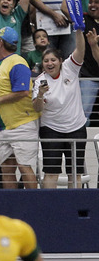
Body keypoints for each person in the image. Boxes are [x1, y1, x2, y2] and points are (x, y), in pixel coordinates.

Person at [0, 27, 39, 189]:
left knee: (24, 167)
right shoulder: (1, 64)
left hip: (21, 125)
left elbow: (22, 91)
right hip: (3, 126)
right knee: (6, 168)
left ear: (0, 43)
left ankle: (34, 207)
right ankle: (11, 206)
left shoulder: (18, 62)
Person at [32, 29, 87, 188]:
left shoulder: (70, 67)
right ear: (42, 64)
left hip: (76, 127)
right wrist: (41, 94)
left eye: (53, 60)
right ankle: (49, 210)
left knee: (74, 172)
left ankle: (74, 208)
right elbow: (37, 108)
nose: (50, 63)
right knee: (51, 173)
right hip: (51, 129)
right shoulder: (40, 81)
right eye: (46, 61)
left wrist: (78, 30)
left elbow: (81, 50)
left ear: (61, 61)